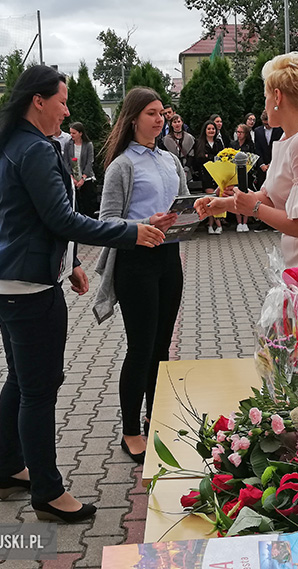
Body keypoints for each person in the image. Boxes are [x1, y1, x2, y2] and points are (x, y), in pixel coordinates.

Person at [0, 65, 164, 523]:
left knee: (20, 381)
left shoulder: (17, 144)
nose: (67, 110)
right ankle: (47, 491)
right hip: (28, 289)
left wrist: (72, 264)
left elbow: (28, 219)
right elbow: (62, 219)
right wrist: (130, 232)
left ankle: (11, 469)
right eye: (61, 101)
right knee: (40, 390)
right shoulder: (35, 150)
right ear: (37, 101)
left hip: (7, 279)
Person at [195, 52, 298, 304]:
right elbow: (269, 195)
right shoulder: (290, 138)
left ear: (277, 96)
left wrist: (254, 209)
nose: (265, 103)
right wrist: (224, 204)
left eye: (266, 95)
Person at [93, 87, 187, 465]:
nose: (159, 118)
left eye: (161, 111)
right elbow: (106, 223)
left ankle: (156, 418)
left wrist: (200, 208)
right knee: (141, 348)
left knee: (162, 348)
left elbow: (182, 202)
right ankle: (130, 430)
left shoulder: (169, 160)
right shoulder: (122, 165)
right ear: (133, 119)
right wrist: (145, 223)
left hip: (169, 257)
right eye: (151, 112)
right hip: (136, 262)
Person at [194, 119, 224, 234]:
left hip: (217, 175)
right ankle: (213, 224)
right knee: (209, 199)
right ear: (205, 130)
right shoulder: (200, 143)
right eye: (209, 129)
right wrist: (210, 157)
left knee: (216, 199)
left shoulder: (218, 143)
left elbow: (221, 158)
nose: (211, 131)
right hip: (205, 175)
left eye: (213, 129)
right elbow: (200, 159)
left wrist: (209, 156)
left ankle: (216, 224)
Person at [62, 122, 97, 217]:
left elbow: (90, 162)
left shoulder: (88, 145)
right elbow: (66, 162)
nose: (71, 135)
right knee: (76, 205)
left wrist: (83, 178)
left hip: (86, 178)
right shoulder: (68, 145)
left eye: (74, 133)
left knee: (88, 204)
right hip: (73, 179)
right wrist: (71, 177)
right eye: (70, 133)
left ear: (80, 133)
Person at [162, 114, 195, 190]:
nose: (177, 124)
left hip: (187, 168)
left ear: (182, 122)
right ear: (171, 124)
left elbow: (192, 154)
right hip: (172, 168)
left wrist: (186, 168)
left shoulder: (189, 137)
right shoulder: (166, 140)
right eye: (174, 122)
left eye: (178, 121)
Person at [232, 123, 256, 232]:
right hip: (235, 174)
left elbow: (253, 158)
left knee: (245, 195)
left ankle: (245, 222)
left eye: (241, 132)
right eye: (237, 132)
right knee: (236, 196)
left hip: (247, 174)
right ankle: (238, 222)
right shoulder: (233, 144)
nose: (239, 134)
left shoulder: (250, 145)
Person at [253, 110, 283, 193]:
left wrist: (272, 163)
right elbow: (257, 149)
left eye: (268, 124)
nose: (267, 126)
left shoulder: (279, 130)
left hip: (275, 164)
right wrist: (261, 164)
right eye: (265, 124)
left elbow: (280, 148)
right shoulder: (258, 131)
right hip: (262, 166)